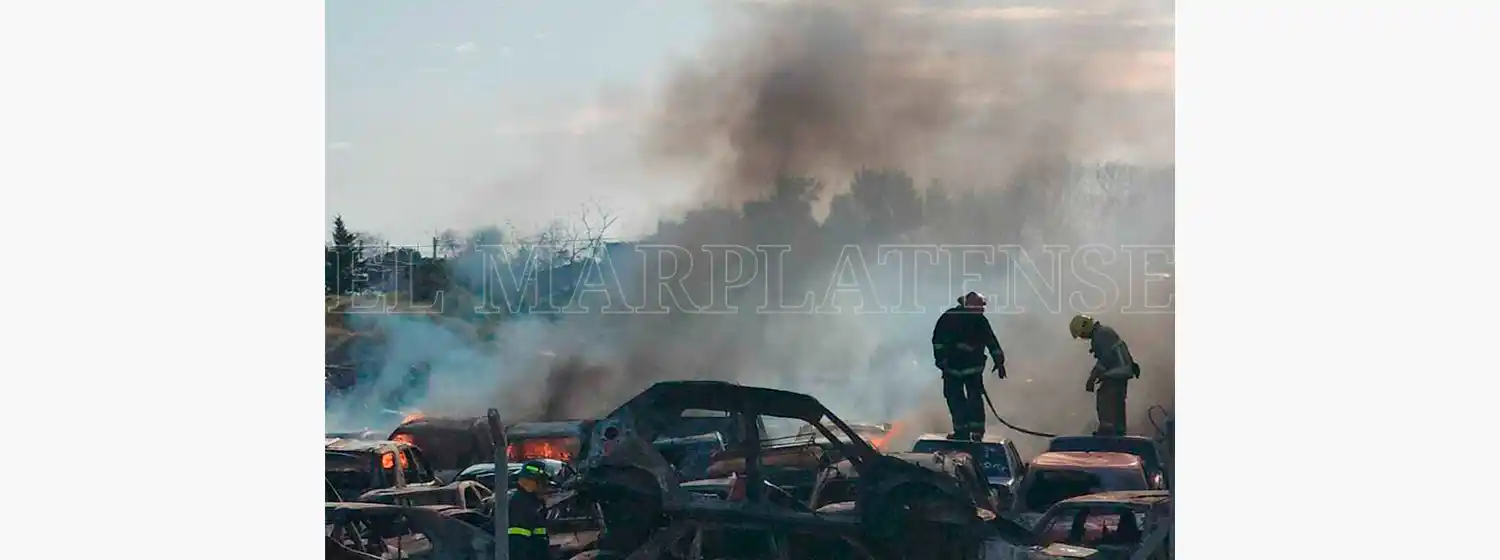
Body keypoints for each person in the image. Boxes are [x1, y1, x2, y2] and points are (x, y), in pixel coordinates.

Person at [931, 291, 1007, 441]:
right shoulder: (951, 318)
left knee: (967, 399)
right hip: (956, 368)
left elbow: (991, 341)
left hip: (963, 369)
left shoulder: (977, 320)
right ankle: (965, 431)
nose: (982, 310)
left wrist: (999, 361)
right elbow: (938, 341)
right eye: (980, 306)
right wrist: (942, 360)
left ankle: (971, 432)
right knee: (961, 399)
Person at [1069, 314, 1140, 436]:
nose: (1083, 337)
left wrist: (1093, 377)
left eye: (1081, 334)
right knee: (1117, 401)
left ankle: (1108, 428)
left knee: (1105, 397)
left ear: (1084, 327)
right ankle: (1119, 430)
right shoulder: (1105, 332)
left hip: (1117, 372)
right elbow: (1119, 350)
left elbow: (1106, 358)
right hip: (1122, 371)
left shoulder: (1100, 336)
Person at [507, 460, 553, 560]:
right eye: (543, 482)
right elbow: (517, 543)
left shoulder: (534, 502)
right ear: (533, 482)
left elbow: (539, 538)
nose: (545, 486)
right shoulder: (519, 503)